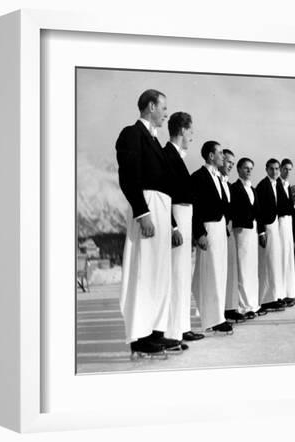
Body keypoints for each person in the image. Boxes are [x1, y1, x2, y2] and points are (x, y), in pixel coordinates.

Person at [116, 89, 182, 357]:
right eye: (163, 108)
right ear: (151, 106)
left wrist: (173, 223)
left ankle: (156, 332)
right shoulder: (132, 133)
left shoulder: (154, 140)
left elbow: (166, 185)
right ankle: (140, 336)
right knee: (144, 273)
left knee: (158, 274)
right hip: (148, 207)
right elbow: (128, 175)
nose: (166, 113)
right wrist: (143, 214)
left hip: (162, 208)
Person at [162, 112, 205, 343]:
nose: (192, 136)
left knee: (183, 276)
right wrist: (173, 227)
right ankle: (171, 330)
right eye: (190, 131)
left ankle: (182, 326)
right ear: (181, 130)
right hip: (177, 218)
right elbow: (163, 196)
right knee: (175, 275)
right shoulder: (167, 155)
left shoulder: (177, 156)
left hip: (185, 218)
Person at [191, 141, 233, 334]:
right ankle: (213, 319)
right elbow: (195, 208)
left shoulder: (219, 177)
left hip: (220, 229)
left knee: (220, 272)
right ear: (210, 156)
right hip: (208, 229)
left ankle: (218, 315)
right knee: (211, 273)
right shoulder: (198, 177)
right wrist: (199, 233)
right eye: (220, 153)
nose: (223, 157)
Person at [229, 157, 266, 319]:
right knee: (242, 269)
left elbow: (259, 212)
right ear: (238, 170)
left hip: (252, 233)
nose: (249, 171)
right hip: (241, 231)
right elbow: (232, 210)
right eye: (246, 168)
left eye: (251, 168)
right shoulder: (234, 188)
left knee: (252, 269)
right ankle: (242, 306)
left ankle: (252, 305)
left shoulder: (254, 189)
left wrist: (261, 232)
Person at [255, 159, 286, 311]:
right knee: (267, 263)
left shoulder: (277, 184)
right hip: (267, 227)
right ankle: (266, 299)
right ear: (266, 170)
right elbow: (258, 211)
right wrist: (261, 231)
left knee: (274, 263)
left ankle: (274, 296)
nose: (274, 172)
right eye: (271, 169)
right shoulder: (262, 186)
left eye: (277, 169)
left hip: (275, 226)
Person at [219, 149, 245, 323]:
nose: (230, 166)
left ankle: (230, 307)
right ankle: (219, 310)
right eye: (228, 162)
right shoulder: (216, 181)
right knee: (220, 271)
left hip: (229, 230)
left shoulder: (228, 185)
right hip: (217, 229)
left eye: (233, 164)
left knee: (231, 270)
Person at [276, 159, 295, 307]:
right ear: (281, 169)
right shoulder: (276, 184)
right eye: (285, 169)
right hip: (279, 224)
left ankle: (289, 293)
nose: (287, 172)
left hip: (288, 225)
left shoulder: (288, 186)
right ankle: (280, 294)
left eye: (290, 169)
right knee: (281, 259)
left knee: (288, 258)